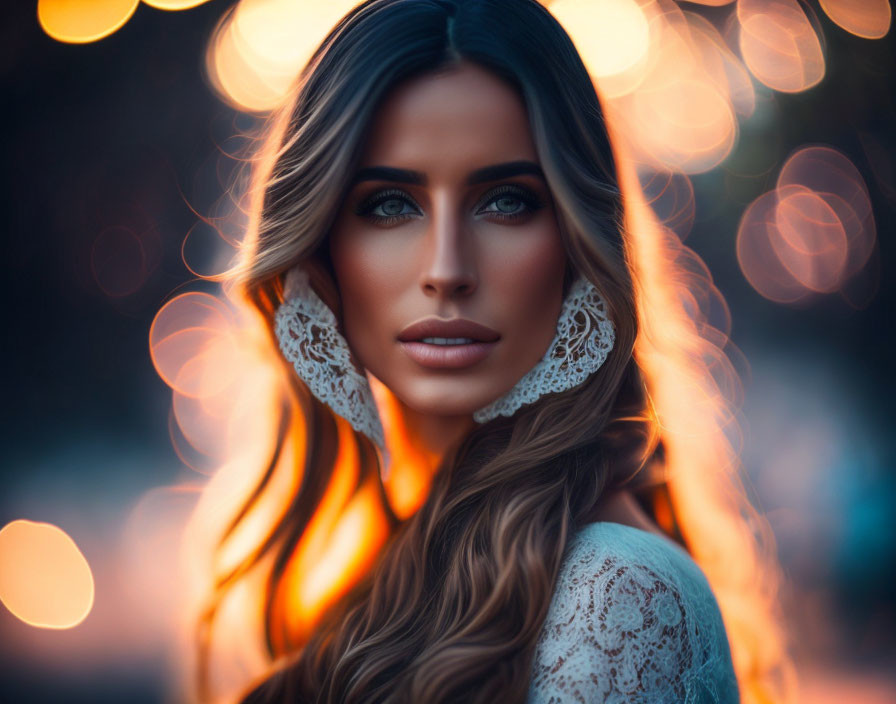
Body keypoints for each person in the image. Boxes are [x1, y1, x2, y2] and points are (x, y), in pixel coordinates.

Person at [180, 0, 795, 702]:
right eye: (389, 204)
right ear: (319, 252)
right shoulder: (367, 567)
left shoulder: (618, 597)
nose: (447, 267)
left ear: (576, 240)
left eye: (505, 201)